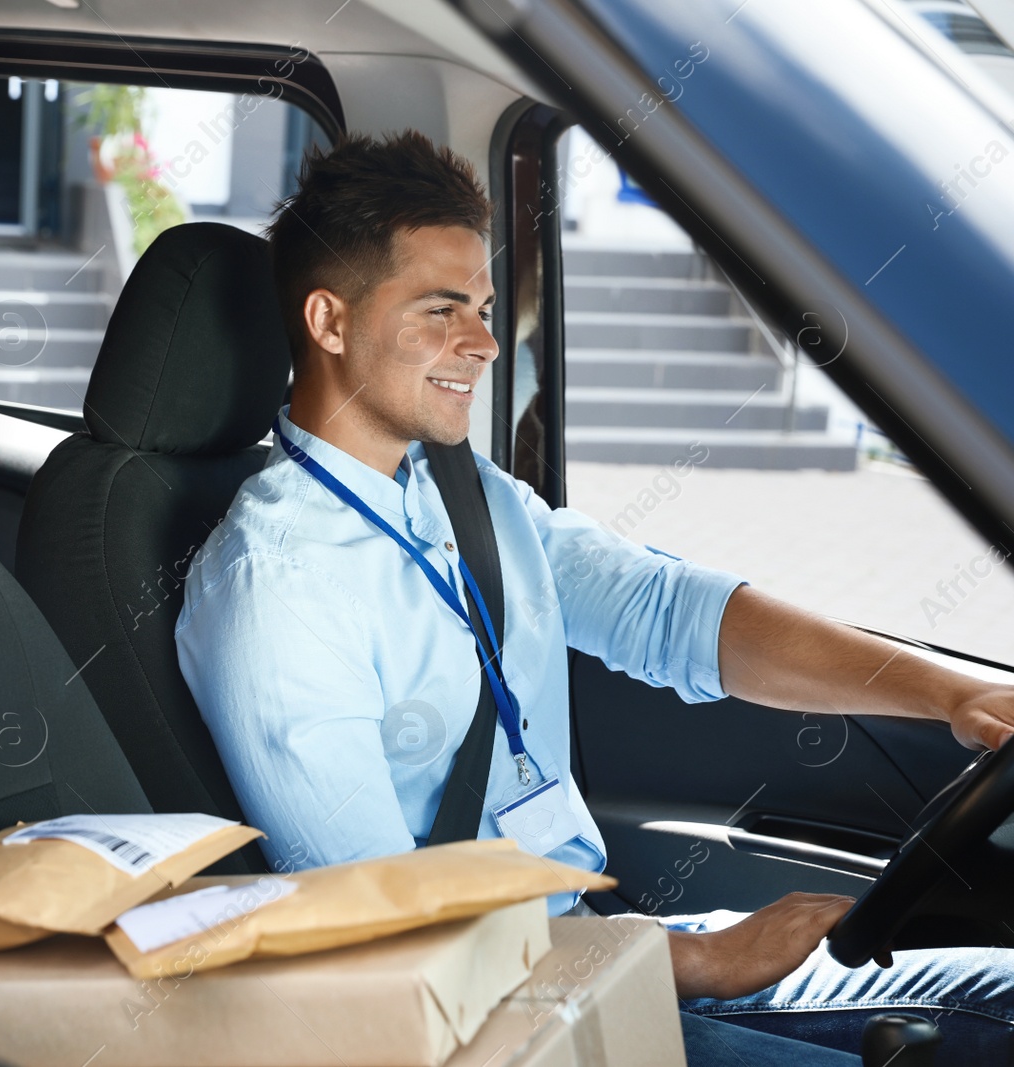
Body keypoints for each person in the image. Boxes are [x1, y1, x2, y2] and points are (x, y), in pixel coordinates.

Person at [174, 129, 1014, 1065]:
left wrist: (947, 693)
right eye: (441, 311)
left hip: (583, 949)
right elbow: (383, 933)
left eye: (486, 307)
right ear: (330, 323)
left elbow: (667, 611)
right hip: (490, 1025)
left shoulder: (457, 488)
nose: (487, 342)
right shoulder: (274, 583)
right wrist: (694, 960)